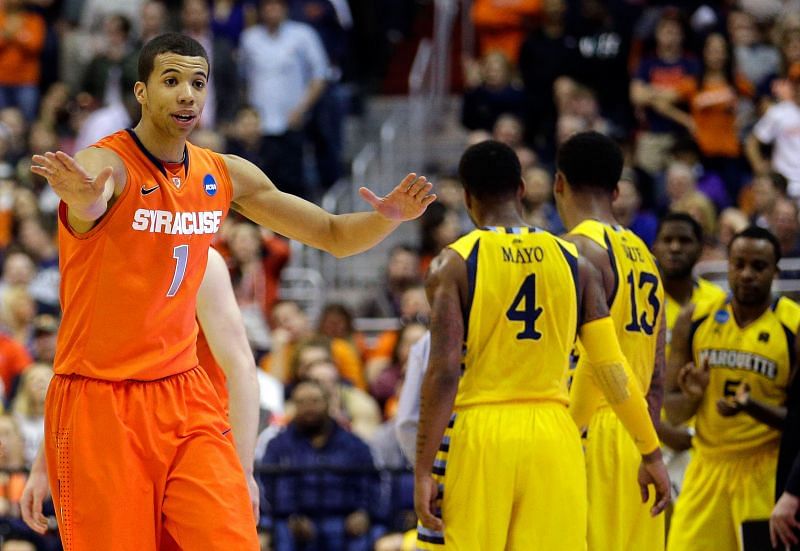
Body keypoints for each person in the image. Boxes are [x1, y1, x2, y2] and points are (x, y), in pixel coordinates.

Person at [27, 32, 434, 550]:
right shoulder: (106, 164)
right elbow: (92, 197)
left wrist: (388, 220)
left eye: (198, 83)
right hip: (99, 401)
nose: (187, 95)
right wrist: (83, 201)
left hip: (184, 395)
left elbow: (332, 234)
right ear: (141, 92)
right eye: (171, 81)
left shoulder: (224, 173)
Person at [414, 140, 669, 549]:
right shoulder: (575, 261)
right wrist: (652, 452)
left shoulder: (454, 262)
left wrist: (423, 468)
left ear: (466, 198)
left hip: (483, 431)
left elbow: (443, 373)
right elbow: (611, 366)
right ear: (521, 189)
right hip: (555, 433)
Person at [554, 131, 667, 550]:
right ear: (617, 191)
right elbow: (657, 368)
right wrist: (648, 443)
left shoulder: (573, 250)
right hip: (636, 435)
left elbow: (591, 361)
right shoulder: (646, 255)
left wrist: (567, 435)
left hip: (586, 429)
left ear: (558, 183)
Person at [665, 226, 800, 551]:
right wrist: (693, 396)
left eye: (758, 266)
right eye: (738, 264)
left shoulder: (793, 325)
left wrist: (751, 406)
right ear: (727, 266)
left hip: (763, 469)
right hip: (706, 466)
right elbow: (673, 411)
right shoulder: (694, 318)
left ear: (775, 272)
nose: (747, 274)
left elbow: (797, 423)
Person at [651, 212, 726, 502]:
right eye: (667, 240)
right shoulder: (640, 299)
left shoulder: (717, 302)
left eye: (684, 240)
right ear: (654, 247)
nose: (675, 248)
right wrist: (661, 429)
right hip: (647, 431)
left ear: (701, 247)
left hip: (700, 433)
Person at [260, 380, 376, 551]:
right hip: (294, 520)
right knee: (281, 532)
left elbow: (371, 482)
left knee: (370, 535)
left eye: (315, 401)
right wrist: (292, 515)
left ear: (328, 403)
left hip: (344, 519)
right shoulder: (278, 445)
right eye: (302, 402)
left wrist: (363, 512)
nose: (309, 408)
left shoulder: (354, 444)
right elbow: (271, 487)